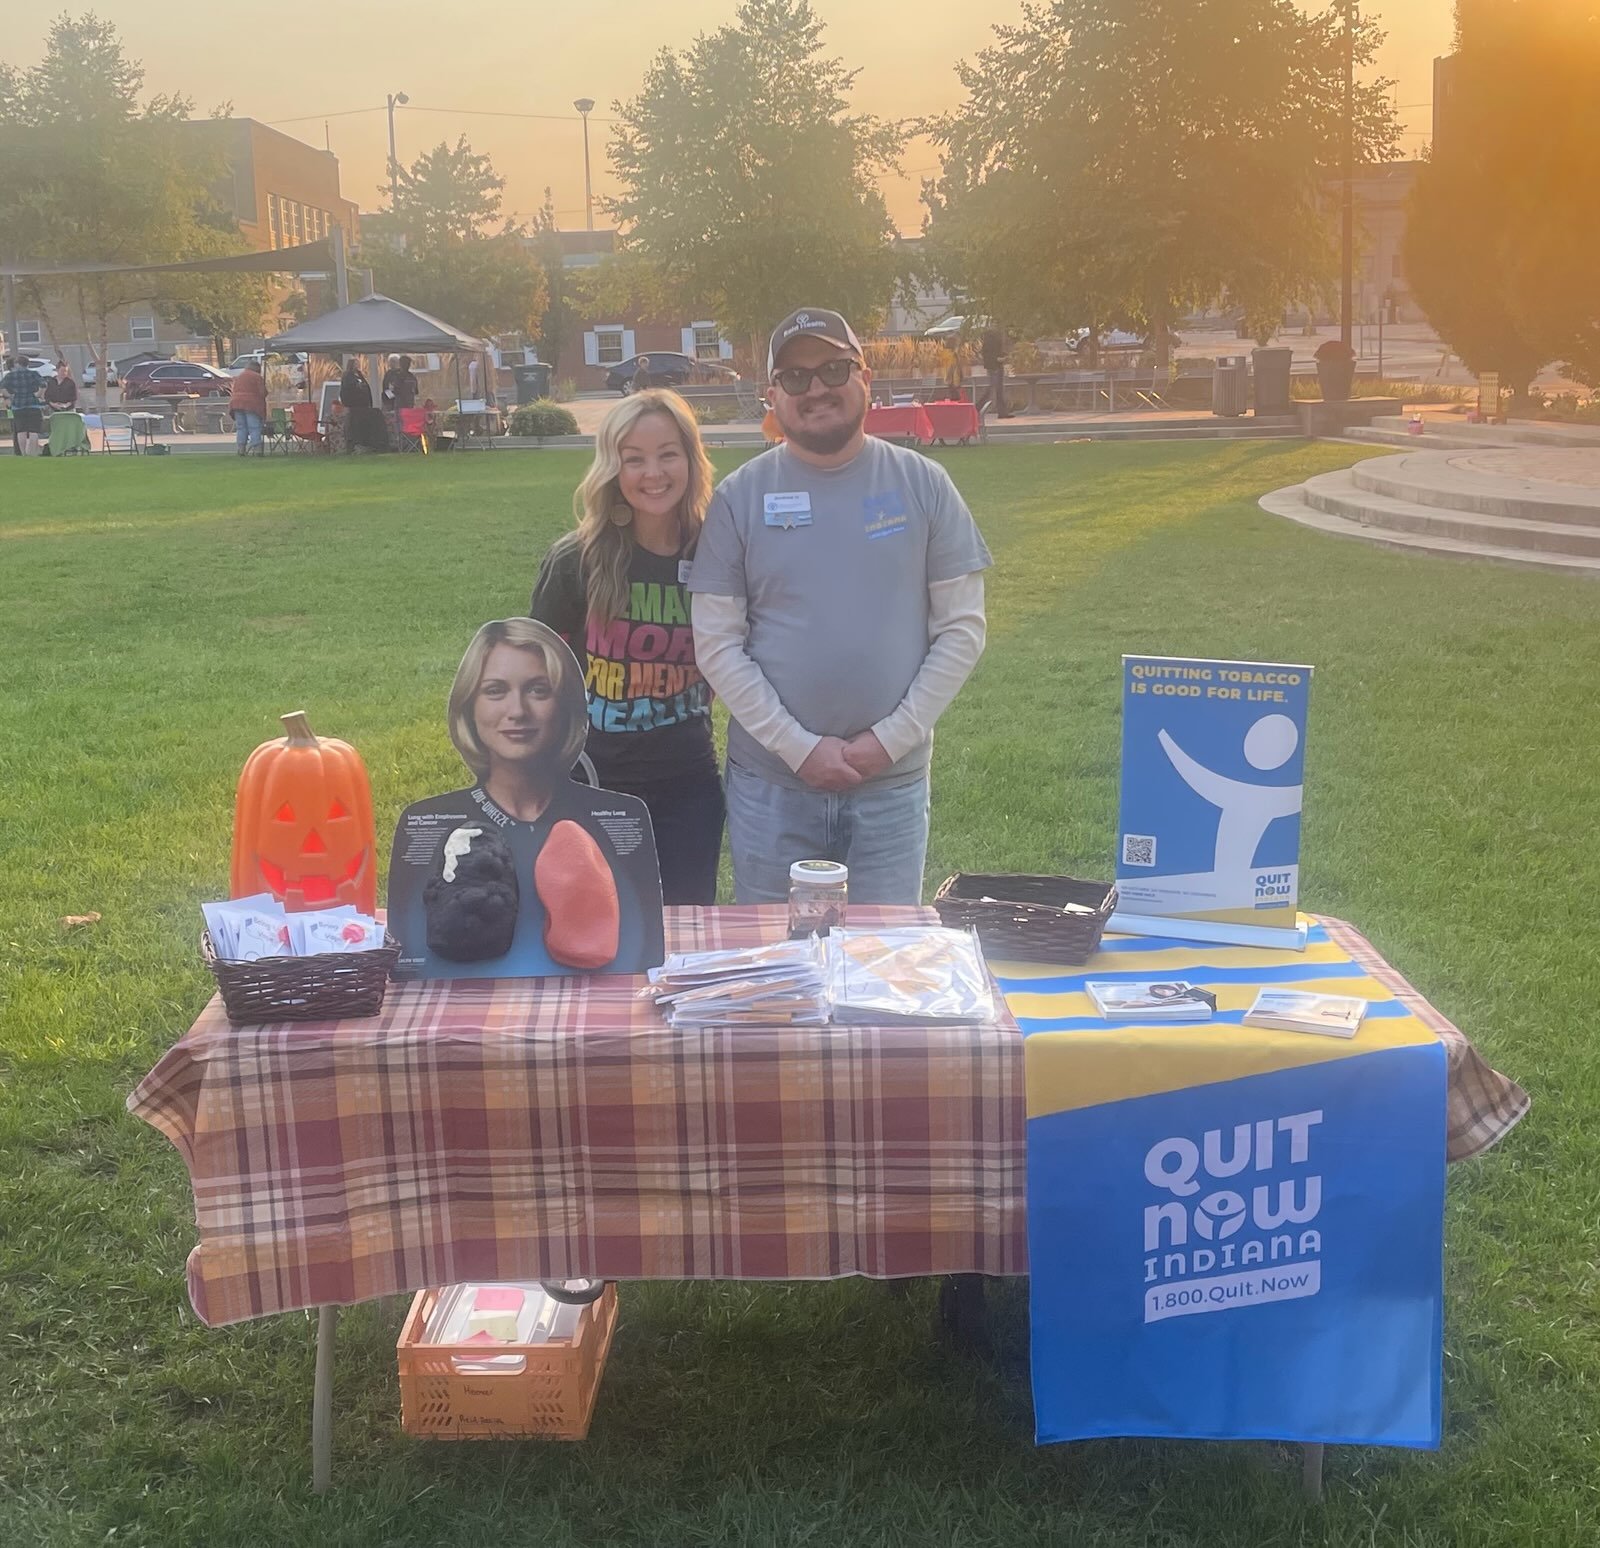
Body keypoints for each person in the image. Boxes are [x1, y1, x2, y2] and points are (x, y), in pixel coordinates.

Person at [687, 307, 991, 906]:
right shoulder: (738, 498)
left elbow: (962, 630)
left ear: (866, 377)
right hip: (771, 786)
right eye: (795, 378)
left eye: (832, 368)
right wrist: (798, 748)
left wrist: (888, 741)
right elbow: (716, 644)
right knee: (777, 972)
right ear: (771, 394)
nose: (816, 388)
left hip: (891, 787)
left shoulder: (925, 485)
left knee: (879, 966)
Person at [530, 389, 723, 904]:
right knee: (591, 932)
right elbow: (538, 679)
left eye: (667, 454)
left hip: (688, 784)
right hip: (592, 781)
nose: (652, 473)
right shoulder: (576, 560)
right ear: (612, 468)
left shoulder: (718, 553)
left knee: (683, 932)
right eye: (633, 459)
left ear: (690, 458)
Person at [339, 356, 386, 451]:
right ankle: (353, 444)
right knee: (354, 425)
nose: (358, 365)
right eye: (356, 363)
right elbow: (347, 389)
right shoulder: (348, 376)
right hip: (354, 406)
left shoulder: (359, 375)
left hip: (363, 406)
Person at [1, 354, 46, 455]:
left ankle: (23, 453)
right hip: (33, 404)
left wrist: (10, 395)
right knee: (34, 431)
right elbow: (43, 384)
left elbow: (2, 387)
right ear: (27, 364)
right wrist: (39, 394)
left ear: (17, 364)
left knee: (21, 430)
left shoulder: (10, 375)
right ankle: (32, 452)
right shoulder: (34, 374)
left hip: (18, 405)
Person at [228, 359, 267, 455]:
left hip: (236, 403)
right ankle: (257, 449)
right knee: (254, 426)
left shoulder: (239, 376)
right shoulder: (257, 377)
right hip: (251, 404)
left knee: (241, 427)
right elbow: (262, 392)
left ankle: (241, 449)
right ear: (257, 368)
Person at [980, 325, 1011, 419]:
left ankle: (1001, 411)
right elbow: (995, 357)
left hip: (992, 367)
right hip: (996, 367)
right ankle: (978, 408)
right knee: (996, 390)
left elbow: (987, 356)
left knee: (994, 390)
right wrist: (1002, 358)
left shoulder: (987, 343)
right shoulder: (994, 342)